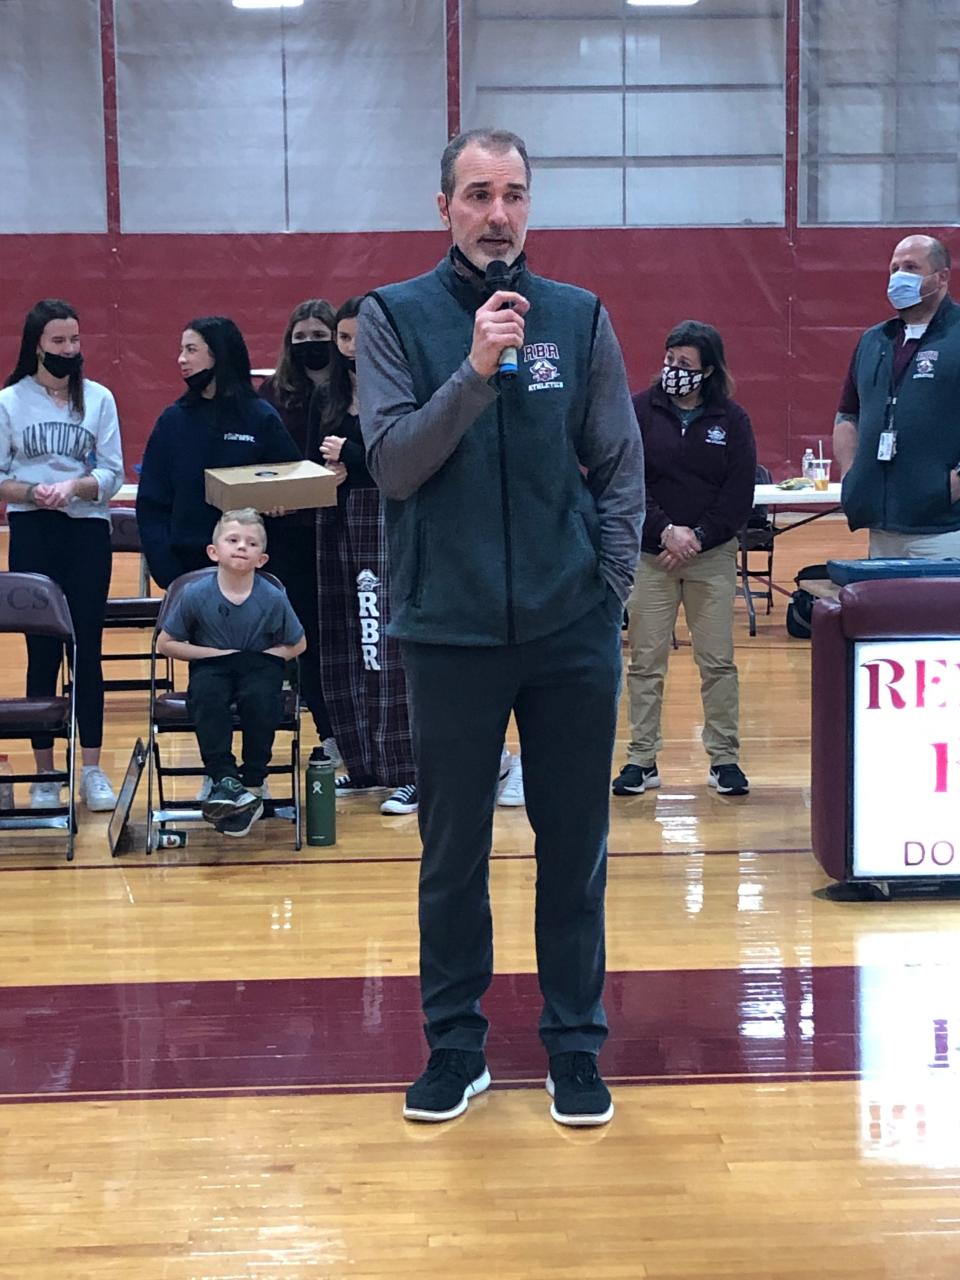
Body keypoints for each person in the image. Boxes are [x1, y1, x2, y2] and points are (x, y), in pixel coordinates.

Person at [357, 129, 644, 1127]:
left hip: (571, 630)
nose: (498, 213)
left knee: (575, 846)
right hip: (452, 630)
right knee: (453, 852)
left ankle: (574, 1043)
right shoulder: (392, 317)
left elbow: (618, 465)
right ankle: (455, 1048)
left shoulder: (579, 316)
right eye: (478, 194)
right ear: (444, 207)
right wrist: (476, 369)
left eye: (514, 194)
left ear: (531, 205)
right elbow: (393, 463)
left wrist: (607, 587)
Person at [612, 321, 755, 800]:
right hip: (652, 557)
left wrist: (696, 536)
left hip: (710, 557)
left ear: (708, 369)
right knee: (645, 662)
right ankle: (641, 758)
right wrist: (664, 532)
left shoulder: (731, 420)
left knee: (717, 662)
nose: (674, 369)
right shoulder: (638, 410)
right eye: (670, 359)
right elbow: (628, 478)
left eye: (686, 364)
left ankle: (724, 758)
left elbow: (738, 494)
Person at [0, 298, 124, 812]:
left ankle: (91, 767)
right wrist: (32, 493)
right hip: (32, 532)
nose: (69, 349)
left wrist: (77, 486)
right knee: (41, 650)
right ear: (37, 345)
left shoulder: (98, 399)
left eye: (75, 340)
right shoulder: (9, 402)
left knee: (87, 649)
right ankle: (45, 770)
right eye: (58, 341)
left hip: (86, 533)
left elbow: (113, 473)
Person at [309, 297, 418, 815]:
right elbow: (315, 459)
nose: (351, 349)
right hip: (336, 522)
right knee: (348, 640)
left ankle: (409, 768)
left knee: (387, 644)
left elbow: (404, 462)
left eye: (360, 338)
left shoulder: (400, 390)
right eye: (344, 338)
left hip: (385, 520)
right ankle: (364, 761)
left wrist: (353, 458)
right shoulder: (327, 397)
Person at [156, 508, 305, 838]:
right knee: (207, 696)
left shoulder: (272, 596)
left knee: (261, 698)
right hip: (211, 663)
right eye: (233, 540)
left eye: (251, 543)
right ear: (214, 552)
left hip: (257, 664)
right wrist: (214, 654)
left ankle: (253, 779)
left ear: (262, 558)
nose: (242, 547)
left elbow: (298, 643)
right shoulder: (195, 594)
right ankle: (223, 778)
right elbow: (166, 643)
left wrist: (268, 657)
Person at [136, 315, 300, 589]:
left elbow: (292, 485)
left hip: (250, 575)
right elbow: (152, 503)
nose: (181, 359)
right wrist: (167, 570)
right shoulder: (173, 421)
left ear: (219, 355)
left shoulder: (260, 418)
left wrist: (282, 506)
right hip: (186, 570)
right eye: (181, 350)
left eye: (191, 350)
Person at [834, 234, 960, 558]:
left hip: (944, 528)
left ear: (942, 276)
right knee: (887, 609)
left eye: (911, 267)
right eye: (894, 268)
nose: (898, 276)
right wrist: (852, 475)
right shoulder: (873, 341)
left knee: (939, 610)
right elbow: (848, 415)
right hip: (881, 526)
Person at [258, 299, 340, 760]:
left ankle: (362, 731)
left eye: (320, 336)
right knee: (306, 634)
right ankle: (328, 735)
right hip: (291, 534)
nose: (311, 344)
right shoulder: (271, 395)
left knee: (347, 633)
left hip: (343, 528)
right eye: (302, 337)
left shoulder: (352, 391)